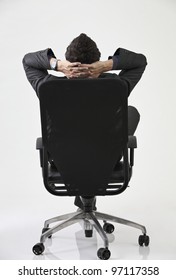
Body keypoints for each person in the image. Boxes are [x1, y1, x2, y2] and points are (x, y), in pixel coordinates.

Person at [22, 33, 147, 209]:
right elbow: (140, 61)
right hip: (107, 160)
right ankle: (88, 197)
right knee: (130, 112)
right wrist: (106, 66)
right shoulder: (116, 86)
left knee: (79, 134)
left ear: (67, 62)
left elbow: (28, 60)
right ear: (97, 62)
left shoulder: (47, 87)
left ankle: (85, 197)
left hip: (62, 161)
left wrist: (56, 65)